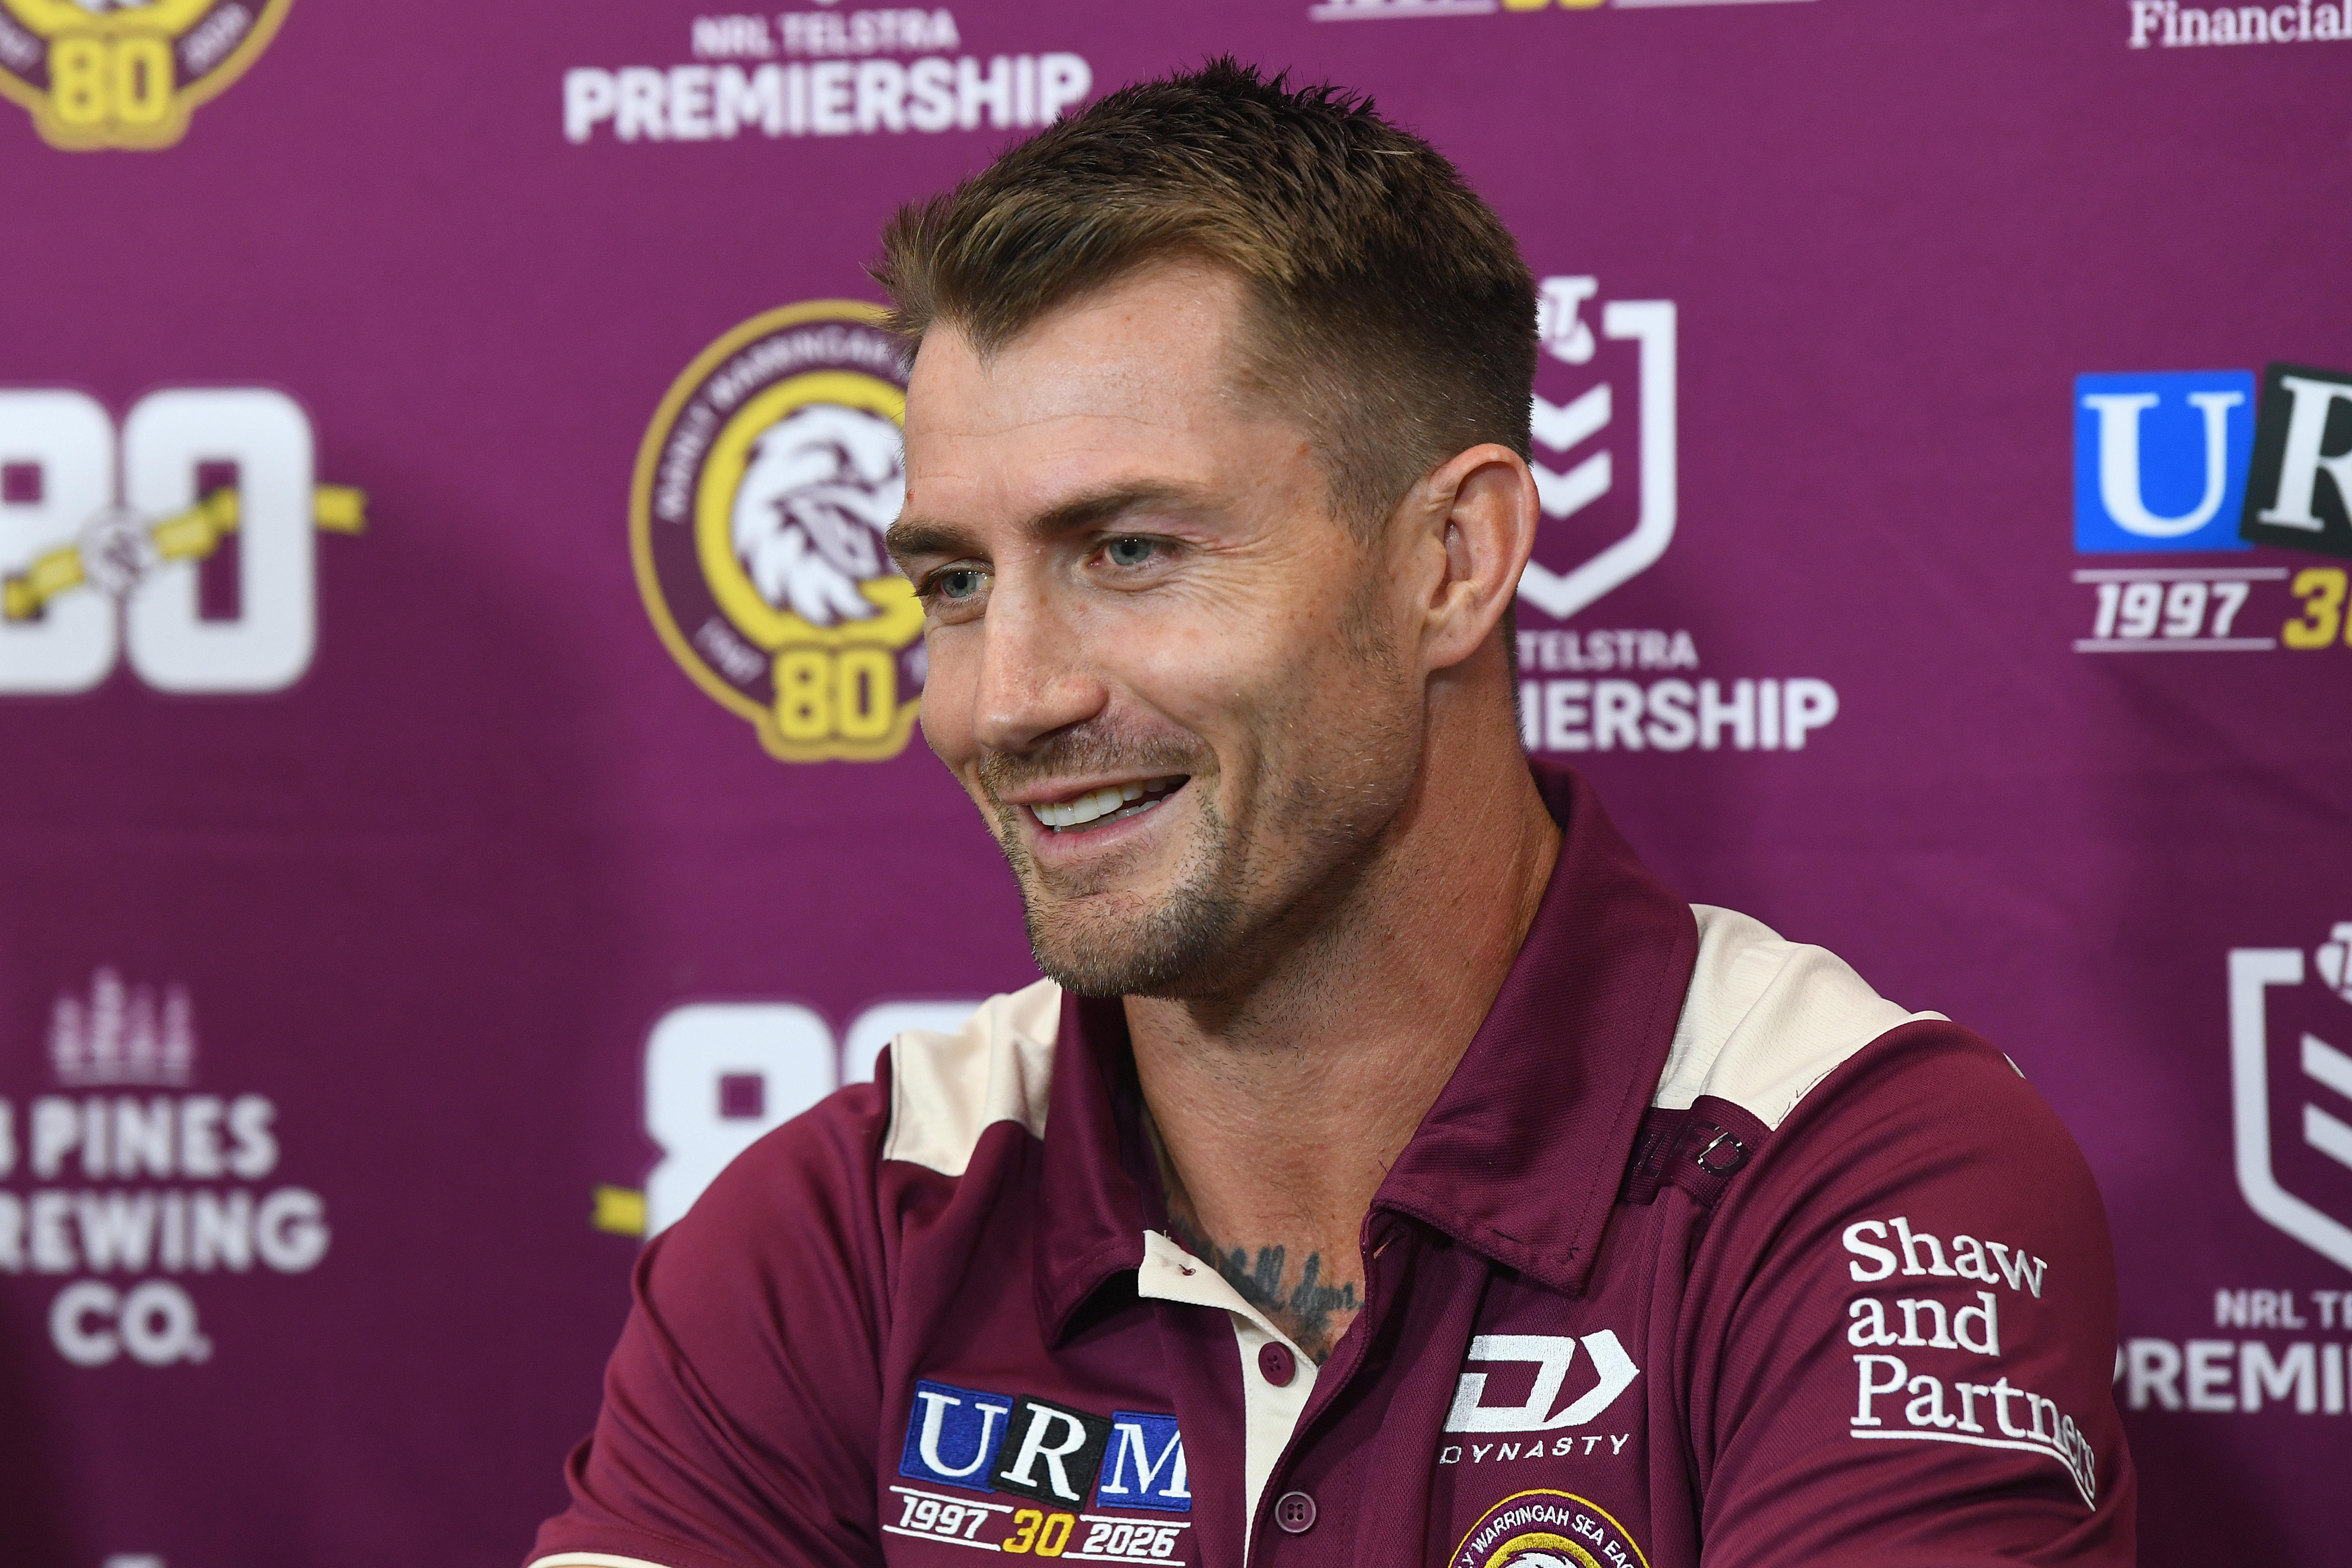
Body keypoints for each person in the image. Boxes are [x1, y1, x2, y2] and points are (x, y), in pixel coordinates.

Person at [528, 61, 2134, 1568]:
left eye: (1130, 552)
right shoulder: (846, 1231)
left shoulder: (1853, 1177)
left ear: (1453, 560)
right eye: (954, 583)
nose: (1004, 700)